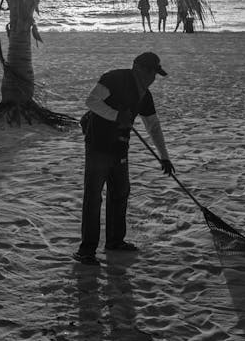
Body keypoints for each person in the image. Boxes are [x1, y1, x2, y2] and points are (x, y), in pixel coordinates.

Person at [74, 51, 175, 266]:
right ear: (138, 68)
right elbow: (91, 101)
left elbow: (153, 126)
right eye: (151, 73)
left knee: (120, 193)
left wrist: (164, 157)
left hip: (120, 146)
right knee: (93, 198)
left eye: (155, 74)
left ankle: (115, 241)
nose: (153, 79)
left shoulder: (145, 96)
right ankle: (86, 250)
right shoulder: (114, 79)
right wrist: (116, 115)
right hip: (98, 145)